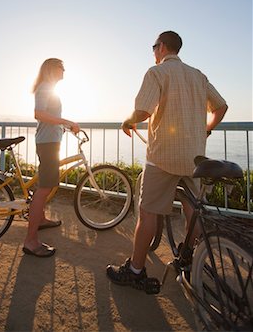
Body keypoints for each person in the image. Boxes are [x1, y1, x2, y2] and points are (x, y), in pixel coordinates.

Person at [106, 31, 228, 292]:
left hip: (162, 157)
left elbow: (143, 111)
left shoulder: (157, 72)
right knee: (191, 210)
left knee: (148, 213)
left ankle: (136, 269)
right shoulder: (198, 75)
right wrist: (206, 129)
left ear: (161, 47)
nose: (153, 52)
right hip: (195, 157)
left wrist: (128, 121)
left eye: (154, 47)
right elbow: (221, 107)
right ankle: (190, 261)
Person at [23, 58, 80, 257]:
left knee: (46, 184)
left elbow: (49, 116)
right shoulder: (45, 87)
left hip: (50, 141)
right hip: (47, 143)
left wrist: (65, 126)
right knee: (44, 188)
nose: (64, 70)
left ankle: (41, 220)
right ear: (51, 69)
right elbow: (39, 113)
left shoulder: (49, 88)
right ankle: (30, 241)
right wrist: (66, 121)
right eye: (61, 67)